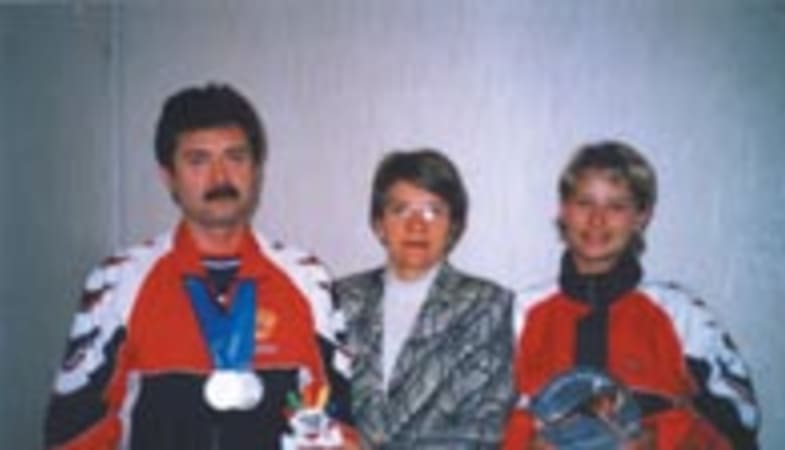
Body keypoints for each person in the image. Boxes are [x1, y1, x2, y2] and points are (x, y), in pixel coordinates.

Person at [44, 83, 355, 449]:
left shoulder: (308, 278)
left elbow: (340, 421)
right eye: (198, 160)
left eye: (235, 157)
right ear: (168, 176)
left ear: (256, 169)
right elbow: (76, 431)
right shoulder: (118, 280)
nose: (220, 177)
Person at [502, 141, 760, 450]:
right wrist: (524, 444)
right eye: (584, 203)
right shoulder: (520, 314)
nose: (597, 219)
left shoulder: (682, 314)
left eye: (616, 206)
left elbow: (740, 420)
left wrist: (662, 441)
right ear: (563, 211)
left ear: (641, 216)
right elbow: (476, 423)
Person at [333, 149, 516, 449]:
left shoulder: (486, 306)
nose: (417, 225)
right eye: (401, 210)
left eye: (433, 211)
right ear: (379, 224)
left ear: (453, 225)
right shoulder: (339, 298)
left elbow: (482, 431)